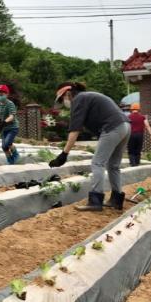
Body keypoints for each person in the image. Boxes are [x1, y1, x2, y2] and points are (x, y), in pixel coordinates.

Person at [50, 82, 131, 212]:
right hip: (125, 126)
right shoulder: (87, 97)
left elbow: (74, 130)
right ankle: (116, 200)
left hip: (113, 127)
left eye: (62, 98)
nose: (63, 102)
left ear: (68, 93)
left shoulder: (78, 99)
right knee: (113, 166)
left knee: (97, 163)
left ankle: (95, 201)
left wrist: (64, 154)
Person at [0, 84, 20, 165]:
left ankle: (16, 154)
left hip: (13, 127)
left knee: (7, 143)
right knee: (4, 147)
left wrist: (4, 122)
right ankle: (10, 161)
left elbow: (12, 116)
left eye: (2, 94)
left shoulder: (10, 104)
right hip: (4, 128)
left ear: (7, 94)